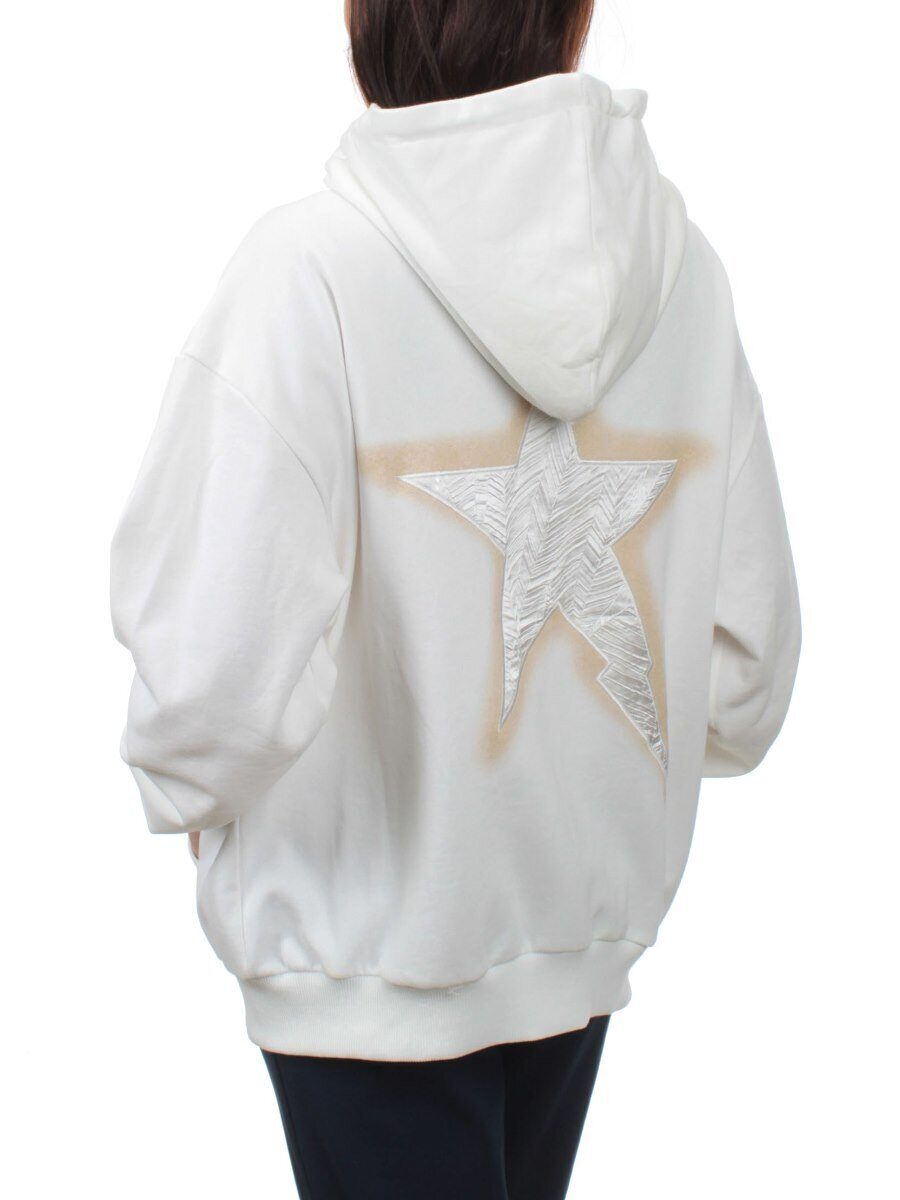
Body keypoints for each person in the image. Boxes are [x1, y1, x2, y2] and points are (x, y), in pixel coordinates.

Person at [110, 1, 801, 1196]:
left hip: (358, 964)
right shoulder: (685, 276)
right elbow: (744, 680)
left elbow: (215, 673)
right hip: (576, 948)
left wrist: (191, 792)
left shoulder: (308, 273)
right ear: (573, 21)